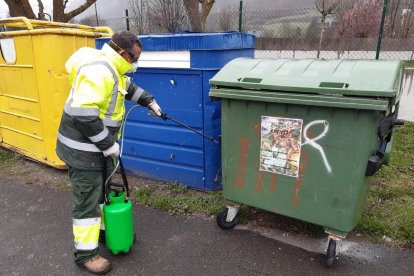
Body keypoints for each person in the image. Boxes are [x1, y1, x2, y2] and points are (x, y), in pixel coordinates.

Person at [56, 31, 162, 274]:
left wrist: (149, 101)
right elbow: (83, 114)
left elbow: (125, 87)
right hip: (84, 151)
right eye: (134, 58)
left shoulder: (113, 68)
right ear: (123, 53)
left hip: (97, 151)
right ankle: (85, 255)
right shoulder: (99, 71)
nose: (135, 63)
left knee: (101, 193)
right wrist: (108, 144)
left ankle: (104, 233)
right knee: (87, 202)